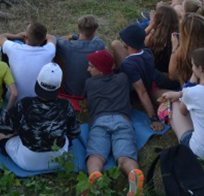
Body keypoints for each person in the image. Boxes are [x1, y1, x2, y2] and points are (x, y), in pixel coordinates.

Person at [0, 63, 81, 171]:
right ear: (58, 87)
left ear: (37, 83)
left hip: (28, 162)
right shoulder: (66, 105)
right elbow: (74, 132)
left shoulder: (24, 104)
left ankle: (5, 147)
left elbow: (1, 126)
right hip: (58, 160)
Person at [83, 50, 145, 196]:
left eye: (91, 66)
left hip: (99, 121)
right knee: (125, 157)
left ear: (101, 70)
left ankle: (95, 175)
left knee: (95, 155)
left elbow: (85, 102)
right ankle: (133, 173)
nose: (88, 69)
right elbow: (121, 61)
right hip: (122, 120)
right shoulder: (123, 78)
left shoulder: (89, 83)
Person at [161, 48, 204, 161]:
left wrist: (186, 89)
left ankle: (180, 137)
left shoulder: (193, 92)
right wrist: (182, 93)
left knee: (174, 104)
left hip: (201, 152)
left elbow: (183, 111)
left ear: (200, 69)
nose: (192, 68)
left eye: (193, 65)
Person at [110, 24, 164, 131]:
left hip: (133, 91)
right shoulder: (148, 52)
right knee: (115, 44)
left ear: (129, 42)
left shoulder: (128, 65)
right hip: (145, 77)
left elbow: (142, 91)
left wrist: (153, 118)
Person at [0, 23, 57, 101]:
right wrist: (39, 35)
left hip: (13, 100)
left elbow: (1, 37)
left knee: (4, 52)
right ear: (43, 38)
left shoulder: (14, 49)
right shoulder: (49, 51)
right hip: (36, 102)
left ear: (26, 36)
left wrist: (18, 36)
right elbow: (52, 38)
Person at [55, 15, 106, 97]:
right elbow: (96, 39)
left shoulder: (67, 46)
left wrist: (71, 36)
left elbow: (53, 38)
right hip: (93, 94)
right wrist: (75, 36)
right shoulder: (99, 45)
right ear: (95, 30)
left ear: (79, 28)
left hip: (71, 93)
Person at [168, 12, 204, 86]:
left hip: (189, 91)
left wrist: (174, 48)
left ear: (185, 33)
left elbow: (172, 76)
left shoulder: (181, 52)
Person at [144, 5, 180, 88]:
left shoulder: (155, 36)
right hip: (173, 76)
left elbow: (139, 42)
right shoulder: (178, 35)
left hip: (165, 78)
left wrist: (151, 25)